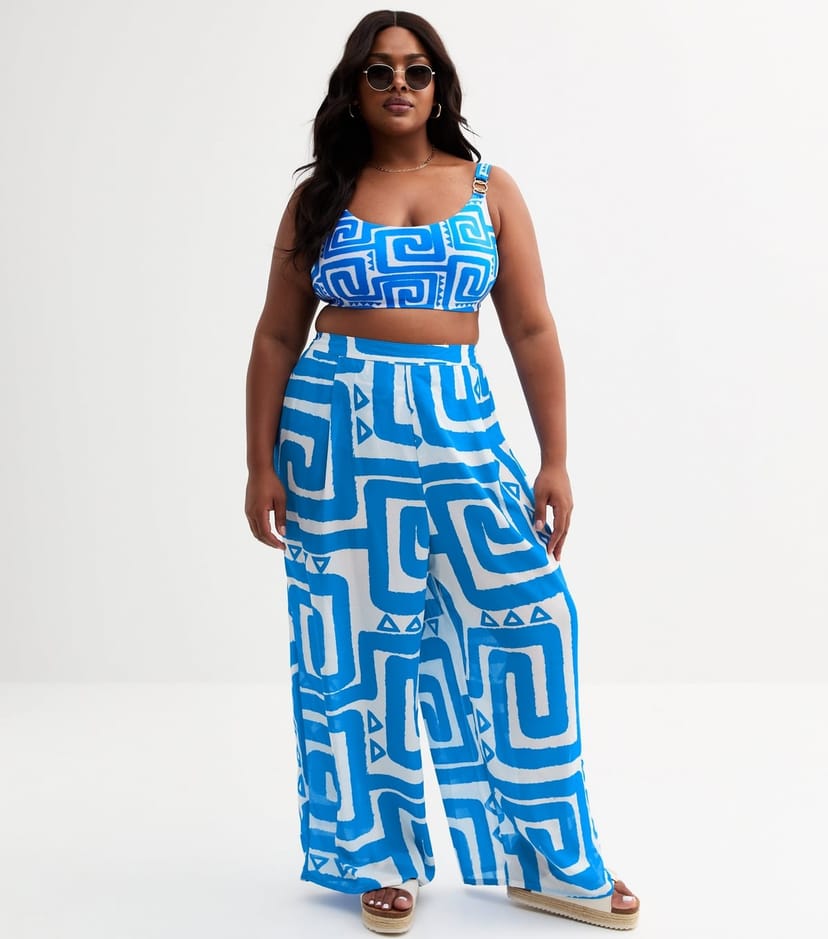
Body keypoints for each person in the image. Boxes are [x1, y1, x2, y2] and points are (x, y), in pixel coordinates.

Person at [244, 9, 641, 934]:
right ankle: (377, 856)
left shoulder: (490, 188)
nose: (399, 86)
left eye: (416, 71)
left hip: (458, 420)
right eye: (379, 71)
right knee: (358, 643)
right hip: (337, 428)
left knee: (534, 614)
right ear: (354, 89)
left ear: (439, 86)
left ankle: (551, 858)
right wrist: (258, 463)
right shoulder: (320, 198)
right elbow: (274, 336)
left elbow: (531, 328)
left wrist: (554, 457)